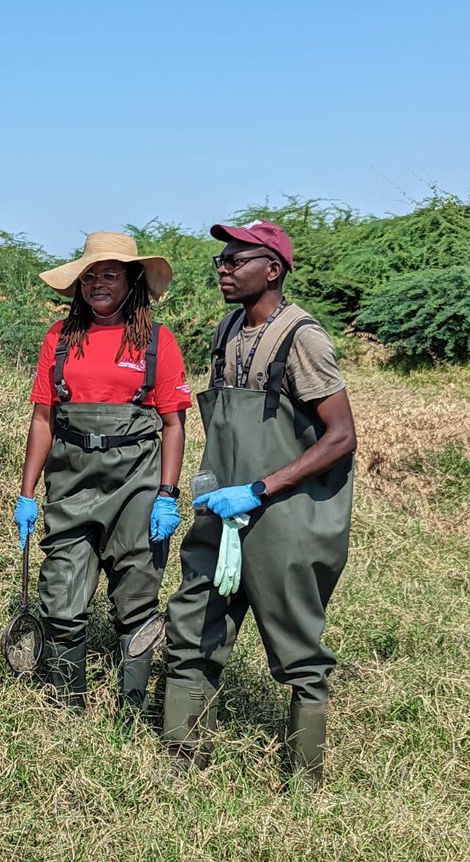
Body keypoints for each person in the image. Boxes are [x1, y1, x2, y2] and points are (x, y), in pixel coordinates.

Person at [160, 220, 356, 790]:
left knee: (297, 645)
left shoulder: (303, 338)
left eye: (236, 260)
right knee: (193, 622)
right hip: (222, 509)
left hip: (284, 515)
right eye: (220, 260)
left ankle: (304, 785)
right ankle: (181, 763)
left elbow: (340, 436)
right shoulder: (227, 330)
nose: (222, 268)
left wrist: (261, 488)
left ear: (272, 269)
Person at [15, 232, 191, 718]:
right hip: (71, 483)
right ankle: (68, 709)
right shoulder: (59, 337)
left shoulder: (157, 341)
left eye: (110, 274)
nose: (98, 284)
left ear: (132, 280)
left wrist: (166, 495)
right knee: (60, 600)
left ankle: (131, 711)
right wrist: (27, 492)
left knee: (136, 598)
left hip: (136, 483)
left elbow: (174, 425)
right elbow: (43, 419)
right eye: (90, 275)